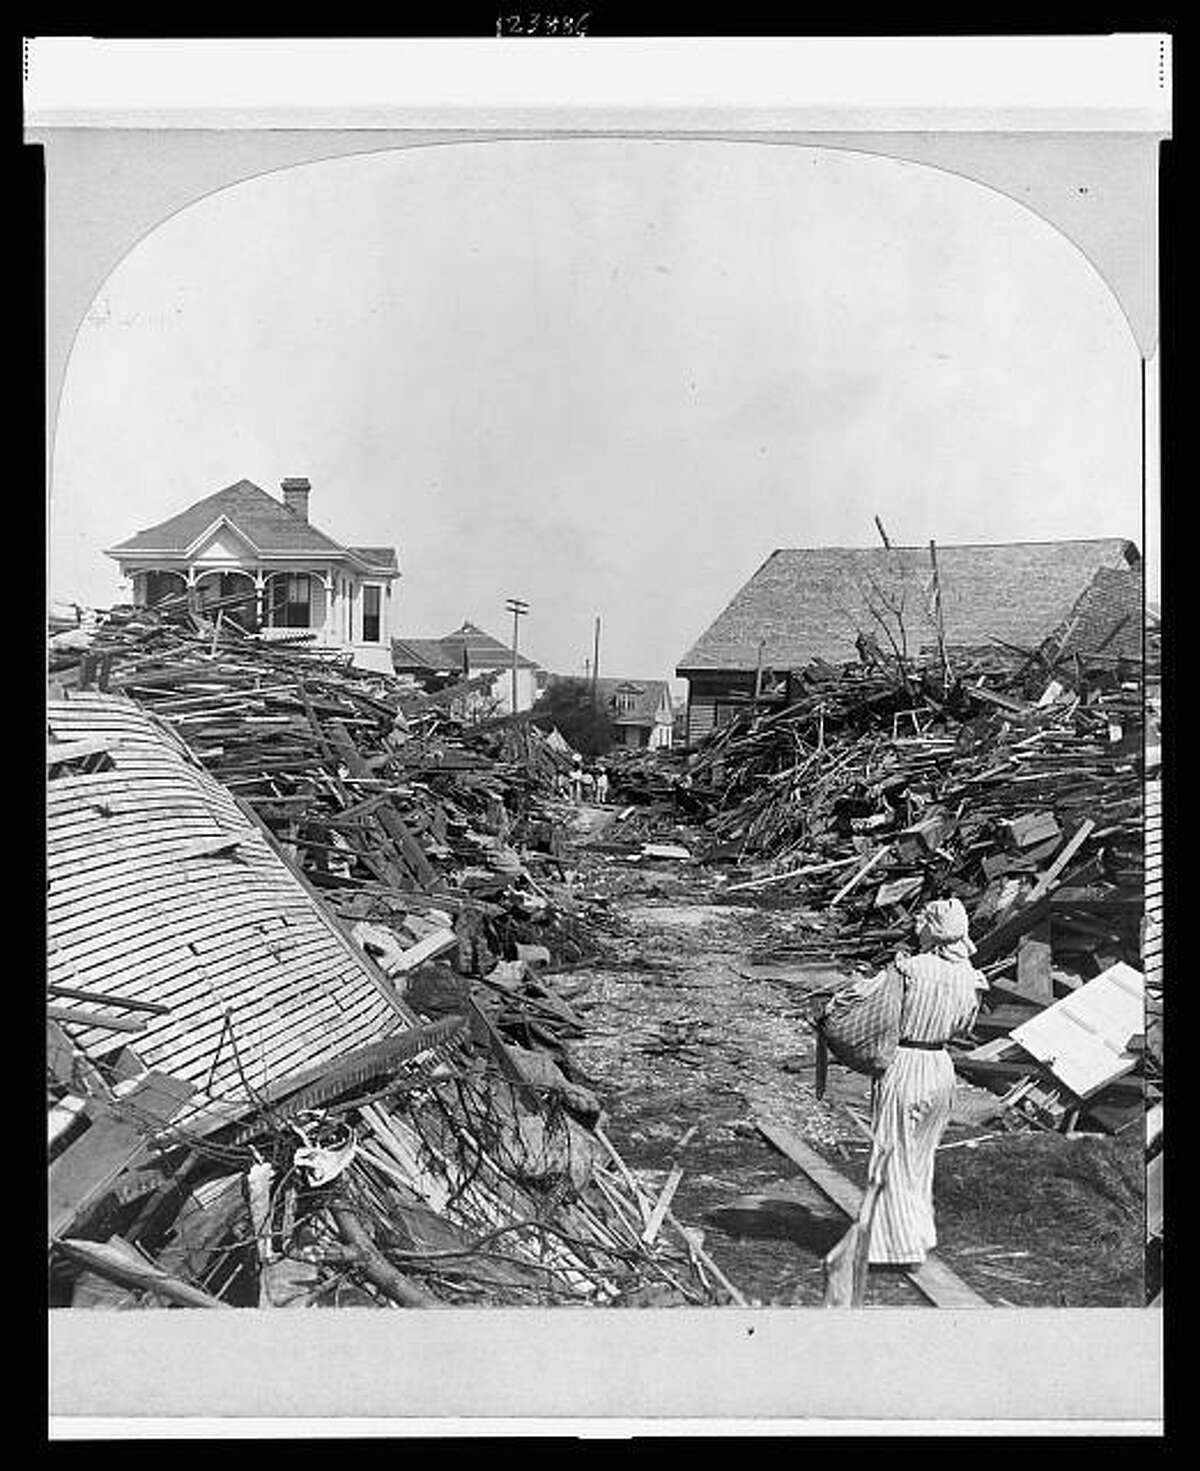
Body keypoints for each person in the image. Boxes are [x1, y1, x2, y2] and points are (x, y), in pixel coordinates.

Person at [866, 897, 988, 1269]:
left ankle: (895, 1247)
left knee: (891, 1152)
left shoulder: (909, 969)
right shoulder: (970, 976)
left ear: (932, 928)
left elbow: (882, 1015)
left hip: (907, 1060)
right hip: (941, 1065)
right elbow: (966, 1026)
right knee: (921, 1155)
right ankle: (919, 1232)